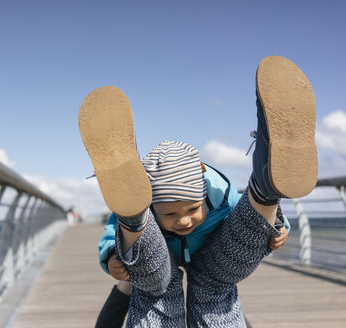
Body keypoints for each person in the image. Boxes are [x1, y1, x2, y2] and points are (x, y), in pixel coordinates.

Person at [78, 55, 317, 327]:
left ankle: (265, 190)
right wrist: (112, 255)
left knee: (156, 289)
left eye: (193, 209)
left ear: (204, 192)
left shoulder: (220, 194)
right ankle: (135, 223)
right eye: (169, 213)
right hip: (162, 260)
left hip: (203, 257)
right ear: (154, 204)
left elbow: (242, 215)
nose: (183, 220)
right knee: (194, 289)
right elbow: (112, 231)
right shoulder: (150, 202)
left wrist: (276, 225)